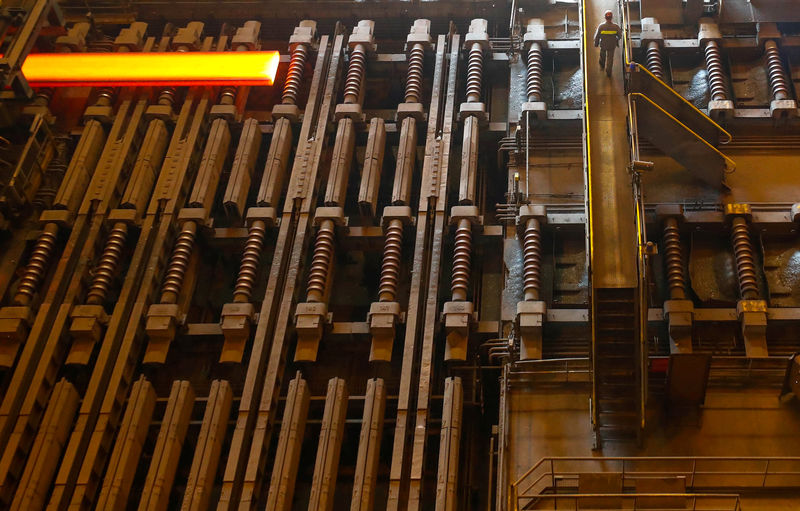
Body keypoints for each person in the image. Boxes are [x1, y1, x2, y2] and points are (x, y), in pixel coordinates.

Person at [594, 10, 622, 77]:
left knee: (602, 55)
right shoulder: (616, 27)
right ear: (612, 17)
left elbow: (597, 36)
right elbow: (620, 36)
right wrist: (616, 40)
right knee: (610, 58)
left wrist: (596, 43)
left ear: (605, 17)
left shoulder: (601, 26)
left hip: (603, 44)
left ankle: (602, 64)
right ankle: (609, 72)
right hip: (612, 45)